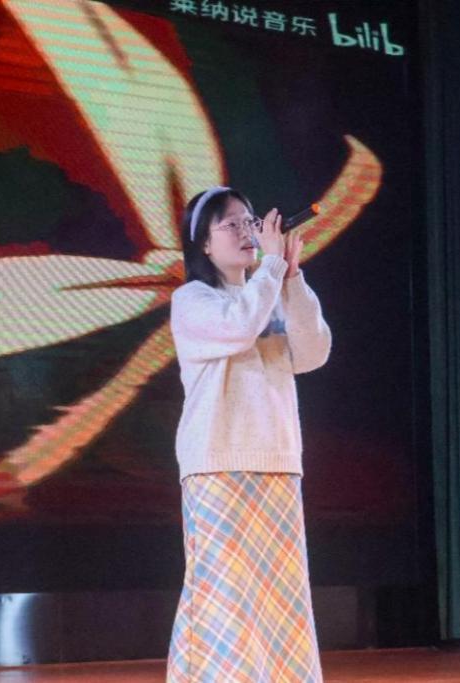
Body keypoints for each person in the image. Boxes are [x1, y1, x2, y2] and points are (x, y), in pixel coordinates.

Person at [166, 186, 332, 682]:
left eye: (249, 221)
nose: (247, 232)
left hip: (277, 461)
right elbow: (238, 327)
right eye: (231, 224)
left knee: (281, 600)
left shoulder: (272, 290)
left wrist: (292, 276)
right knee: (223, 598)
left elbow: (314, 352)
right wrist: (273, 270)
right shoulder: (192, 300)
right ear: (203, 244)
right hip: (218, 465)